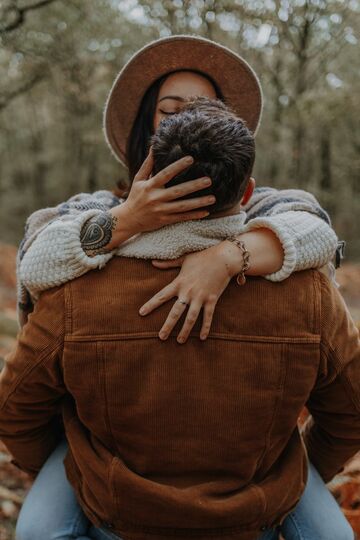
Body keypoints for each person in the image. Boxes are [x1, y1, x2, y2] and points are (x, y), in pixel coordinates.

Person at [0, 97, 358, 540]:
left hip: (120, 520)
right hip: (251, 521)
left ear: (145, 179)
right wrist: (288, 469)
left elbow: (14, 411)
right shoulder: (309, 292)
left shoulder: (74, 292)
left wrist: (85, 470)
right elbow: (352, 412)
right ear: (248, 193)